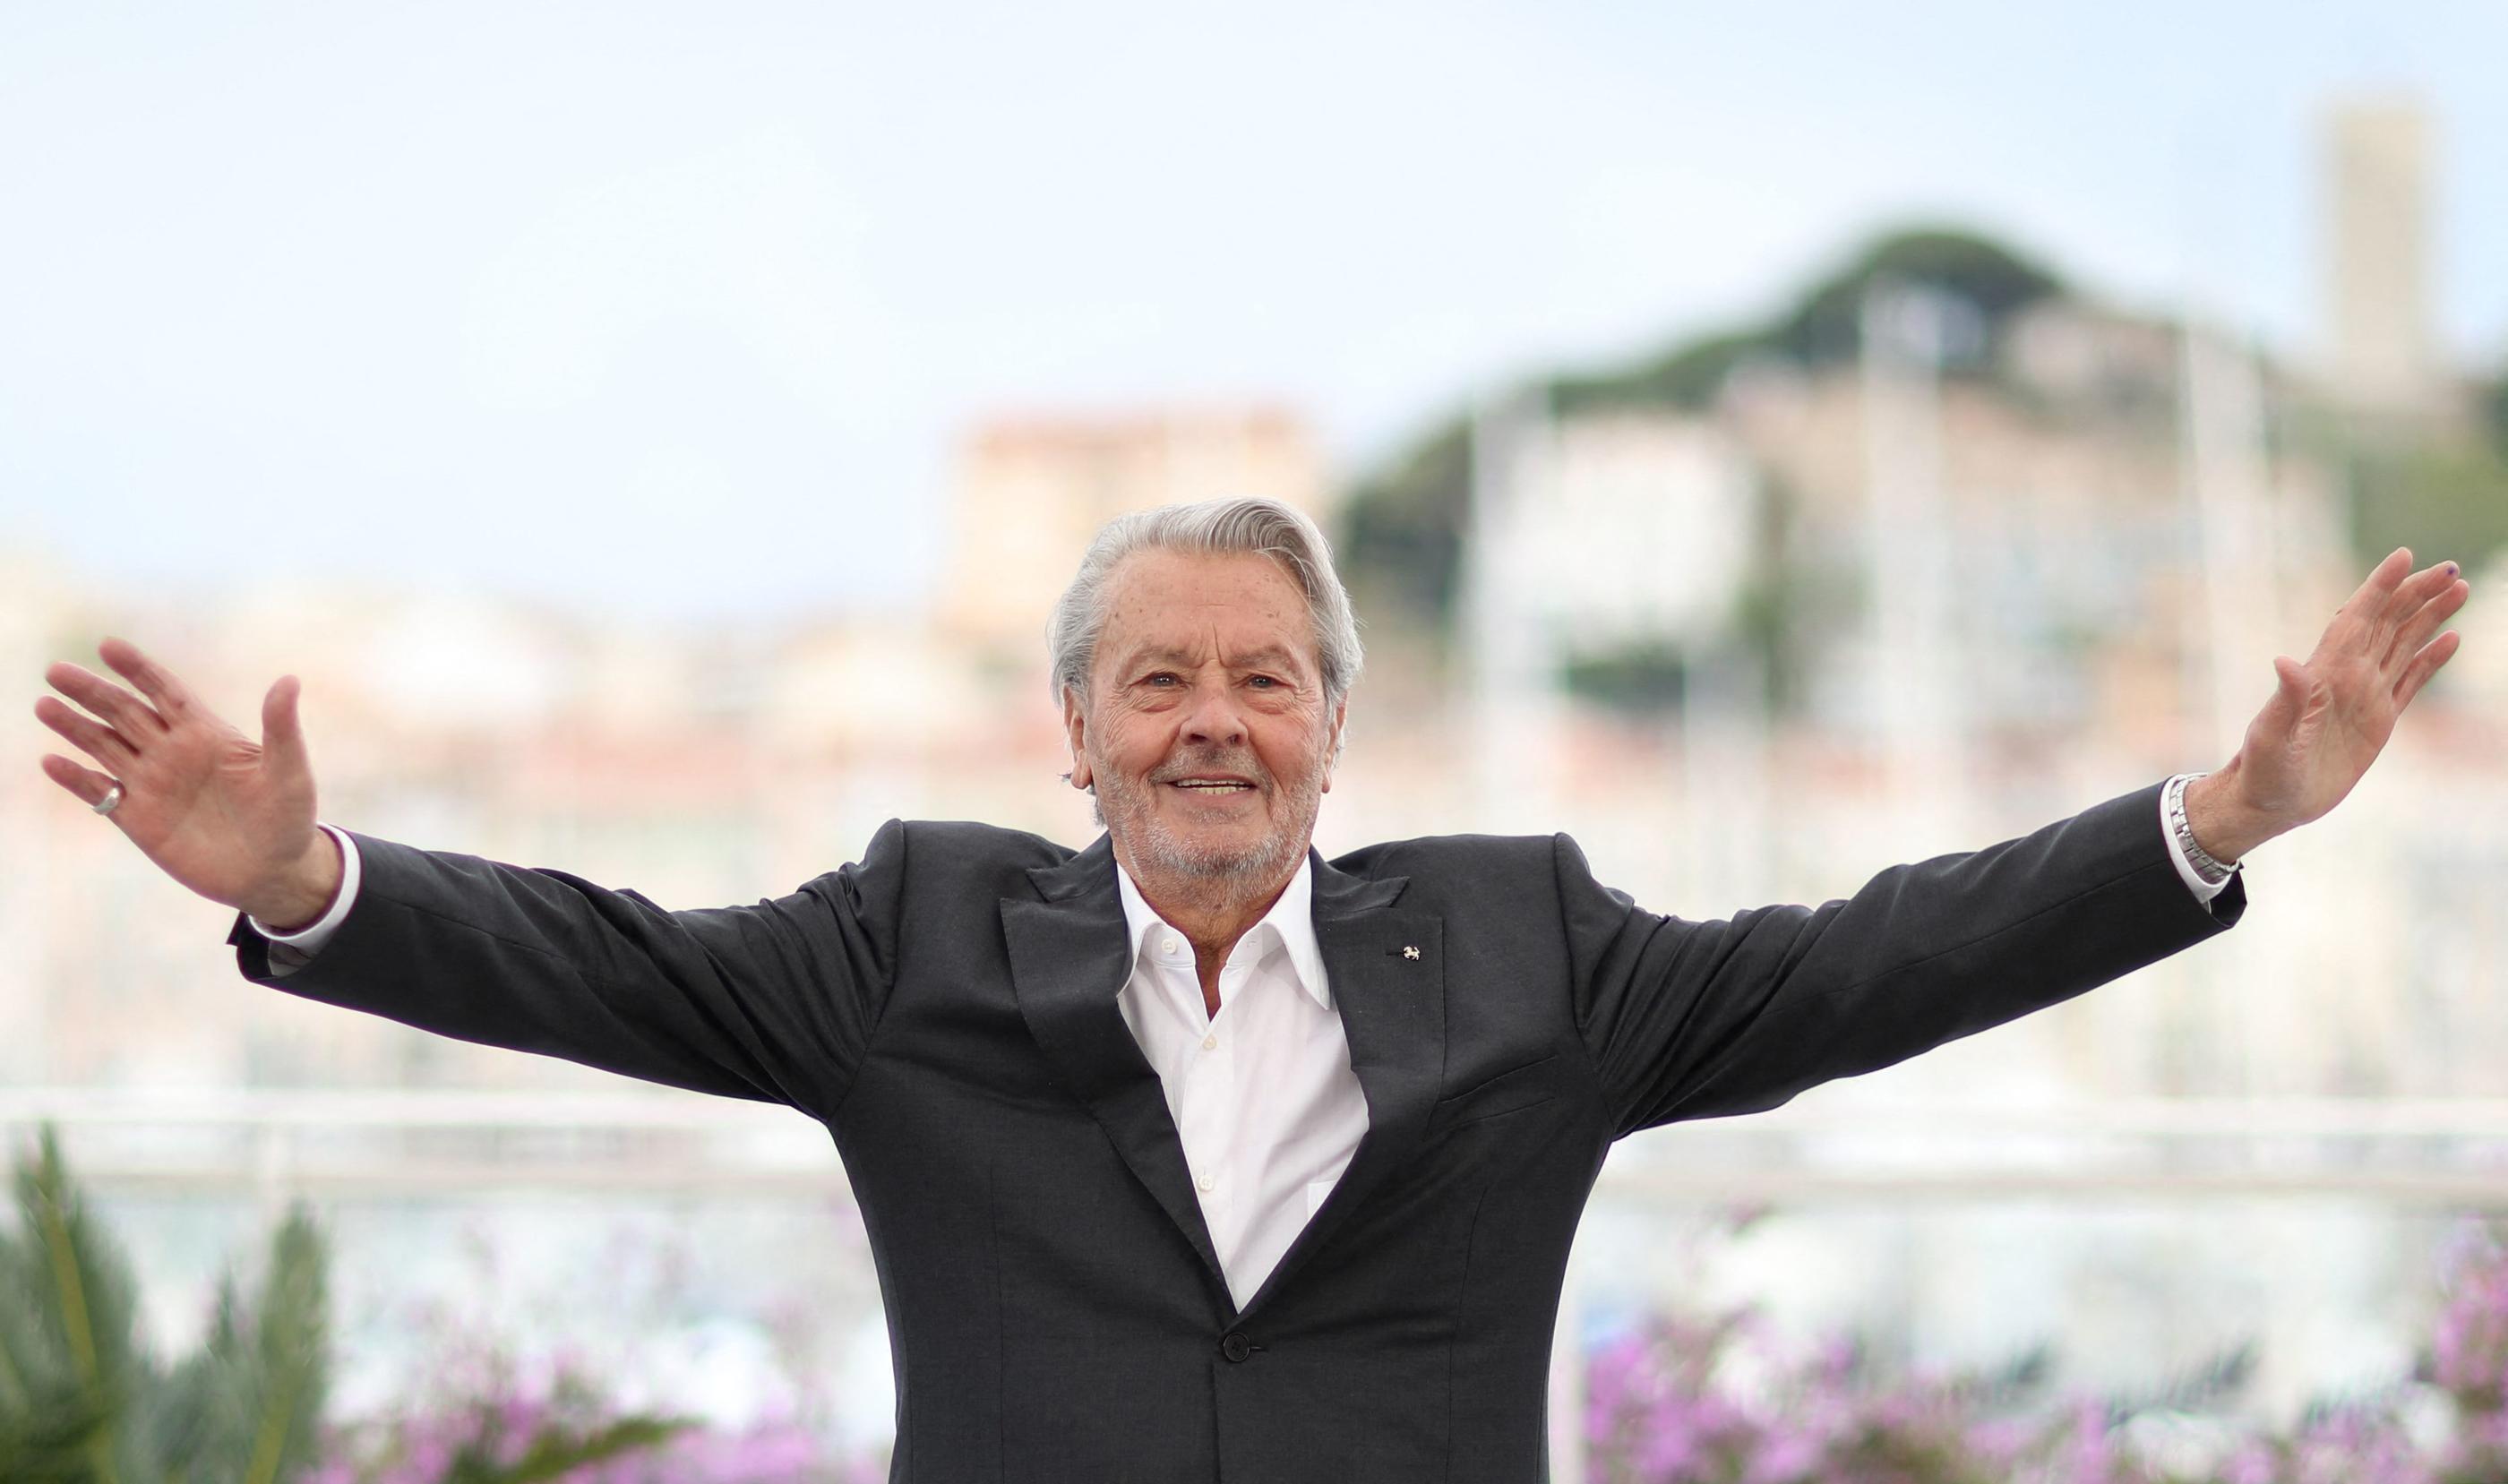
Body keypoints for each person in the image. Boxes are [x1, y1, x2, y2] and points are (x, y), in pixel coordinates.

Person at [32, 498, 2469, 1481]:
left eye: (1267, 677)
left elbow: (1868, 962)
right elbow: (603, 959)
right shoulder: (910, 938)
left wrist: (2217, 820)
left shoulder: (1531, 947)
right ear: (1071, 732)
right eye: (1161, 678)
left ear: (1336, 725)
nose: (1214, 716)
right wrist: (321, 875)